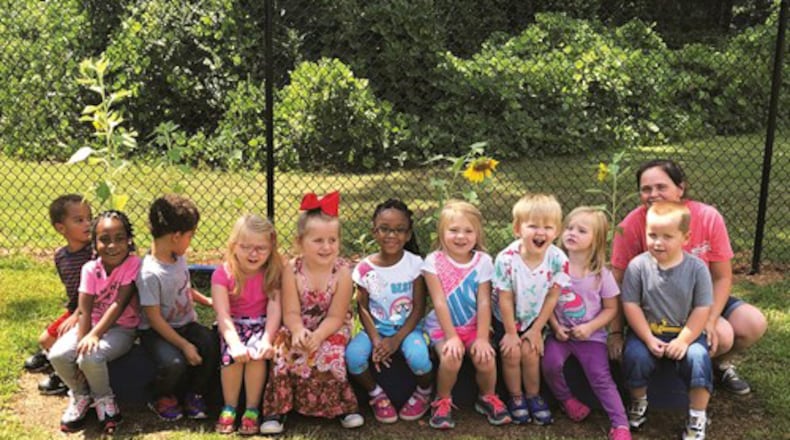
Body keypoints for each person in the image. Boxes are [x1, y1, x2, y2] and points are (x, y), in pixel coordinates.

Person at [610, 159, 767, 395]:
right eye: (646, 189)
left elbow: (722, 278)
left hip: (701, 298)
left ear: (680, 188)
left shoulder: (707, 217)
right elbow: (618, 283)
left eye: (661, 187)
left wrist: (711, 319)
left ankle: (718, 365)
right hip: (657, 306)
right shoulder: (632, 224)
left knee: (752, 323)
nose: (653, 194)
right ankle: (673, 386)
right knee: (723, 336)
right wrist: (614, 332)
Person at [261, 191, 364, 434]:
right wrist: (297, 330)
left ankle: (342, 406)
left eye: (332, 240)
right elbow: (291, 310)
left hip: (331, 327)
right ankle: (277, 408)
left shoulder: (343, 272)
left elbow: (337, 316)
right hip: (299, 322)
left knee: (332, 352)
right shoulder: (292, 270)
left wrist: (318, 336)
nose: (327, 247)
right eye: (318, 241)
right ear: (300, 242)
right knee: (283, 349)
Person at [621, 201, 714, 440]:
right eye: (652, 235)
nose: (658, 242)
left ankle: (697, 415)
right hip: (647, 332)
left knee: (698, 358)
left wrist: (683, 341)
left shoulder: (697, 269)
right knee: (635, 356)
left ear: (686, 237)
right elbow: (630, 304)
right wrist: (647, 338)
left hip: (686, 332)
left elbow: (702, 308)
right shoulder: (638, 267)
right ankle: (638, 401)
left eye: (667, 236)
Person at [48, 210, 141, 434]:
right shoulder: (90, 269)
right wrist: (83, 338)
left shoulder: (132, 264)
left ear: (129, 240)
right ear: (94, 242)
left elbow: (118, 305)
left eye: (119, 239)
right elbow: (85, 309)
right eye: (104, 239)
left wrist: (94, 336)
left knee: (91, 357)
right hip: (91, 326)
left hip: (122, 328)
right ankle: (80, 394)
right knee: (58, 354)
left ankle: (104, 399)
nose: (112, 246)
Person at [542, 207, 631, 440]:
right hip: (560, 335)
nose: (572, 233)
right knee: (550, 364)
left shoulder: (602, 275)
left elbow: (612, 308)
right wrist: (554, 326)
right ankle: (566, 400)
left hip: (591, 337)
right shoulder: (553, 268)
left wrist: (590, 327)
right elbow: (546, 303)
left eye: (582, 230)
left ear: (596, 240)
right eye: (570, 228)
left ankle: (620, 424)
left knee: (600, 376)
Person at [422, 200, 510, 430]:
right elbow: (439, 302)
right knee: (451, 357)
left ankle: (487, 397)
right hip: (443, 327)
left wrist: (481, 338)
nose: (461, 236)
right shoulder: (433, 262)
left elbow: (483, 301)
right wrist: (451, 337)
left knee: (486, 358)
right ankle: (442, 400)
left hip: (473, 327)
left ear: (477, 233)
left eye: (468, 231)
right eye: (453, 230)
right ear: (442, 232)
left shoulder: (483, 262)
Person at [345, 199, 434, 424]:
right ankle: (376, 394)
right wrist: (376, 340)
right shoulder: (365, 268)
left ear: (408, 233)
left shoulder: (414, 264)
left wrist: (396, 340)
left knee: (419, 358)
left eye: (399, 230)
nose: (391, 235)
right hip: (376, 329)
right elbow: (362, 308)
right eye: (384, 229)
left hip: (407, 329)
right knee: (353, 356)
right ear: (374, 231)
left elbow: (418, 308)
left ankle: (424, 392)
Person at [136, 194, 218, 422]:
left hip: (186, 324)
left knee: (211, 343)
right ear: (176, 236)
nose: (191, 241)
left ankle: (195, 393)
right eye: (190, 236)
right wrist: (184, 345)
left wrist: (208, 301)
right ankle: (161, 396)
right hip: (158, 332)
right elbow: (154, 319)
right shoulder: (149, 274)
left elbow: (185, 288)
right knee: (174, 363)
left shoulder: (178, 258)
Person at [491, 193, 570, 426]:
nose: (540, 232)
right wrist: (510, 332)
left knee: (531, 353)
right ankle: (516, 397)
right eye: (533, 226)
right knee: (512, 352)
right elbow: (504, 299)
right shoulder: (506, 259)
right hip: (506, 319)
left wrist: (537, 329)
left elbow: (552, 296)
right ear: (517, 229)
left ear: (556, 231)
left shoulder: (558, 259)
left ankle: (534, 395)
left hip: (535, 318)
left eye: (548, 227)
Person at [212, 214, 283, 435]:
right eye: (246, 247)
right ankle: (230, 406)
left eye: (261, 248)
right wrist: (234, 344)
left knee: (256, 356)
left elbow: (274, 310)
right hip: (233, 327)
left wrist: (266, 340)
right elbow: (222, 314)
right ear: (234, 246)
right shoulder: (223, 274)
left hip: (262, 326)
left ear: (271, 247)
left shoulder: (272, 273)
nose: (254, 254)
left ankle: (252, 409)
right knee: (231, 357)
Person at [25, 194, 93, 397]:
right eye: (79, 220)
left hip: (89, 309)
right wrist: (72, 311)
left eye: (89, 218)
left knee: (60, 339)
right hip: (74, 309)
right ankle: (51, 356)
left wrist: (78, 314)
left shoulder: (95, 253)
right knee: (45, 339)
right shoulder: (61, 256)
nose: (87, 223)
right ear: (61, 228)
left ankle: (62, 375)